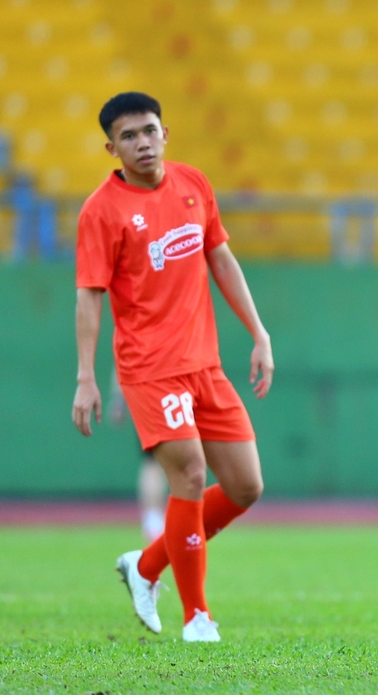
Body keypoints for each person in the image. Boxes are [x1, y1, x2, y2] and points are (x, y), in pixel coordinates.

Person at [72, 92, 273, 643]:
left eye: (150, 130)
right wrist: (87, 377)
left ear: (166, 133)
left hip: (205, 365)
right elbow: (89, 296)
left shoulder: (194, 185)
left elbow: (221, 258)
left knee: (245, 487)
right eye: (129, 136)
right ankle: (198, 617)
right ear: (112, 148)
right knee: (188, 474)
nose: (142, 142)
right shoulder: (101, 211)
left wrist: (258, 333)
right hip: (149, 368)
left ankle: (145, 567)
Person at [107, 364, 168, 544]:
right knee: (155, 462)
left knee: (155, 462)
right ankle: (154, 519)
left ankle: (154, 519)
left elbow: (122, 361)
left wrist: (118, 400)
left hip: (149, 393)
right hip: (161, 392)